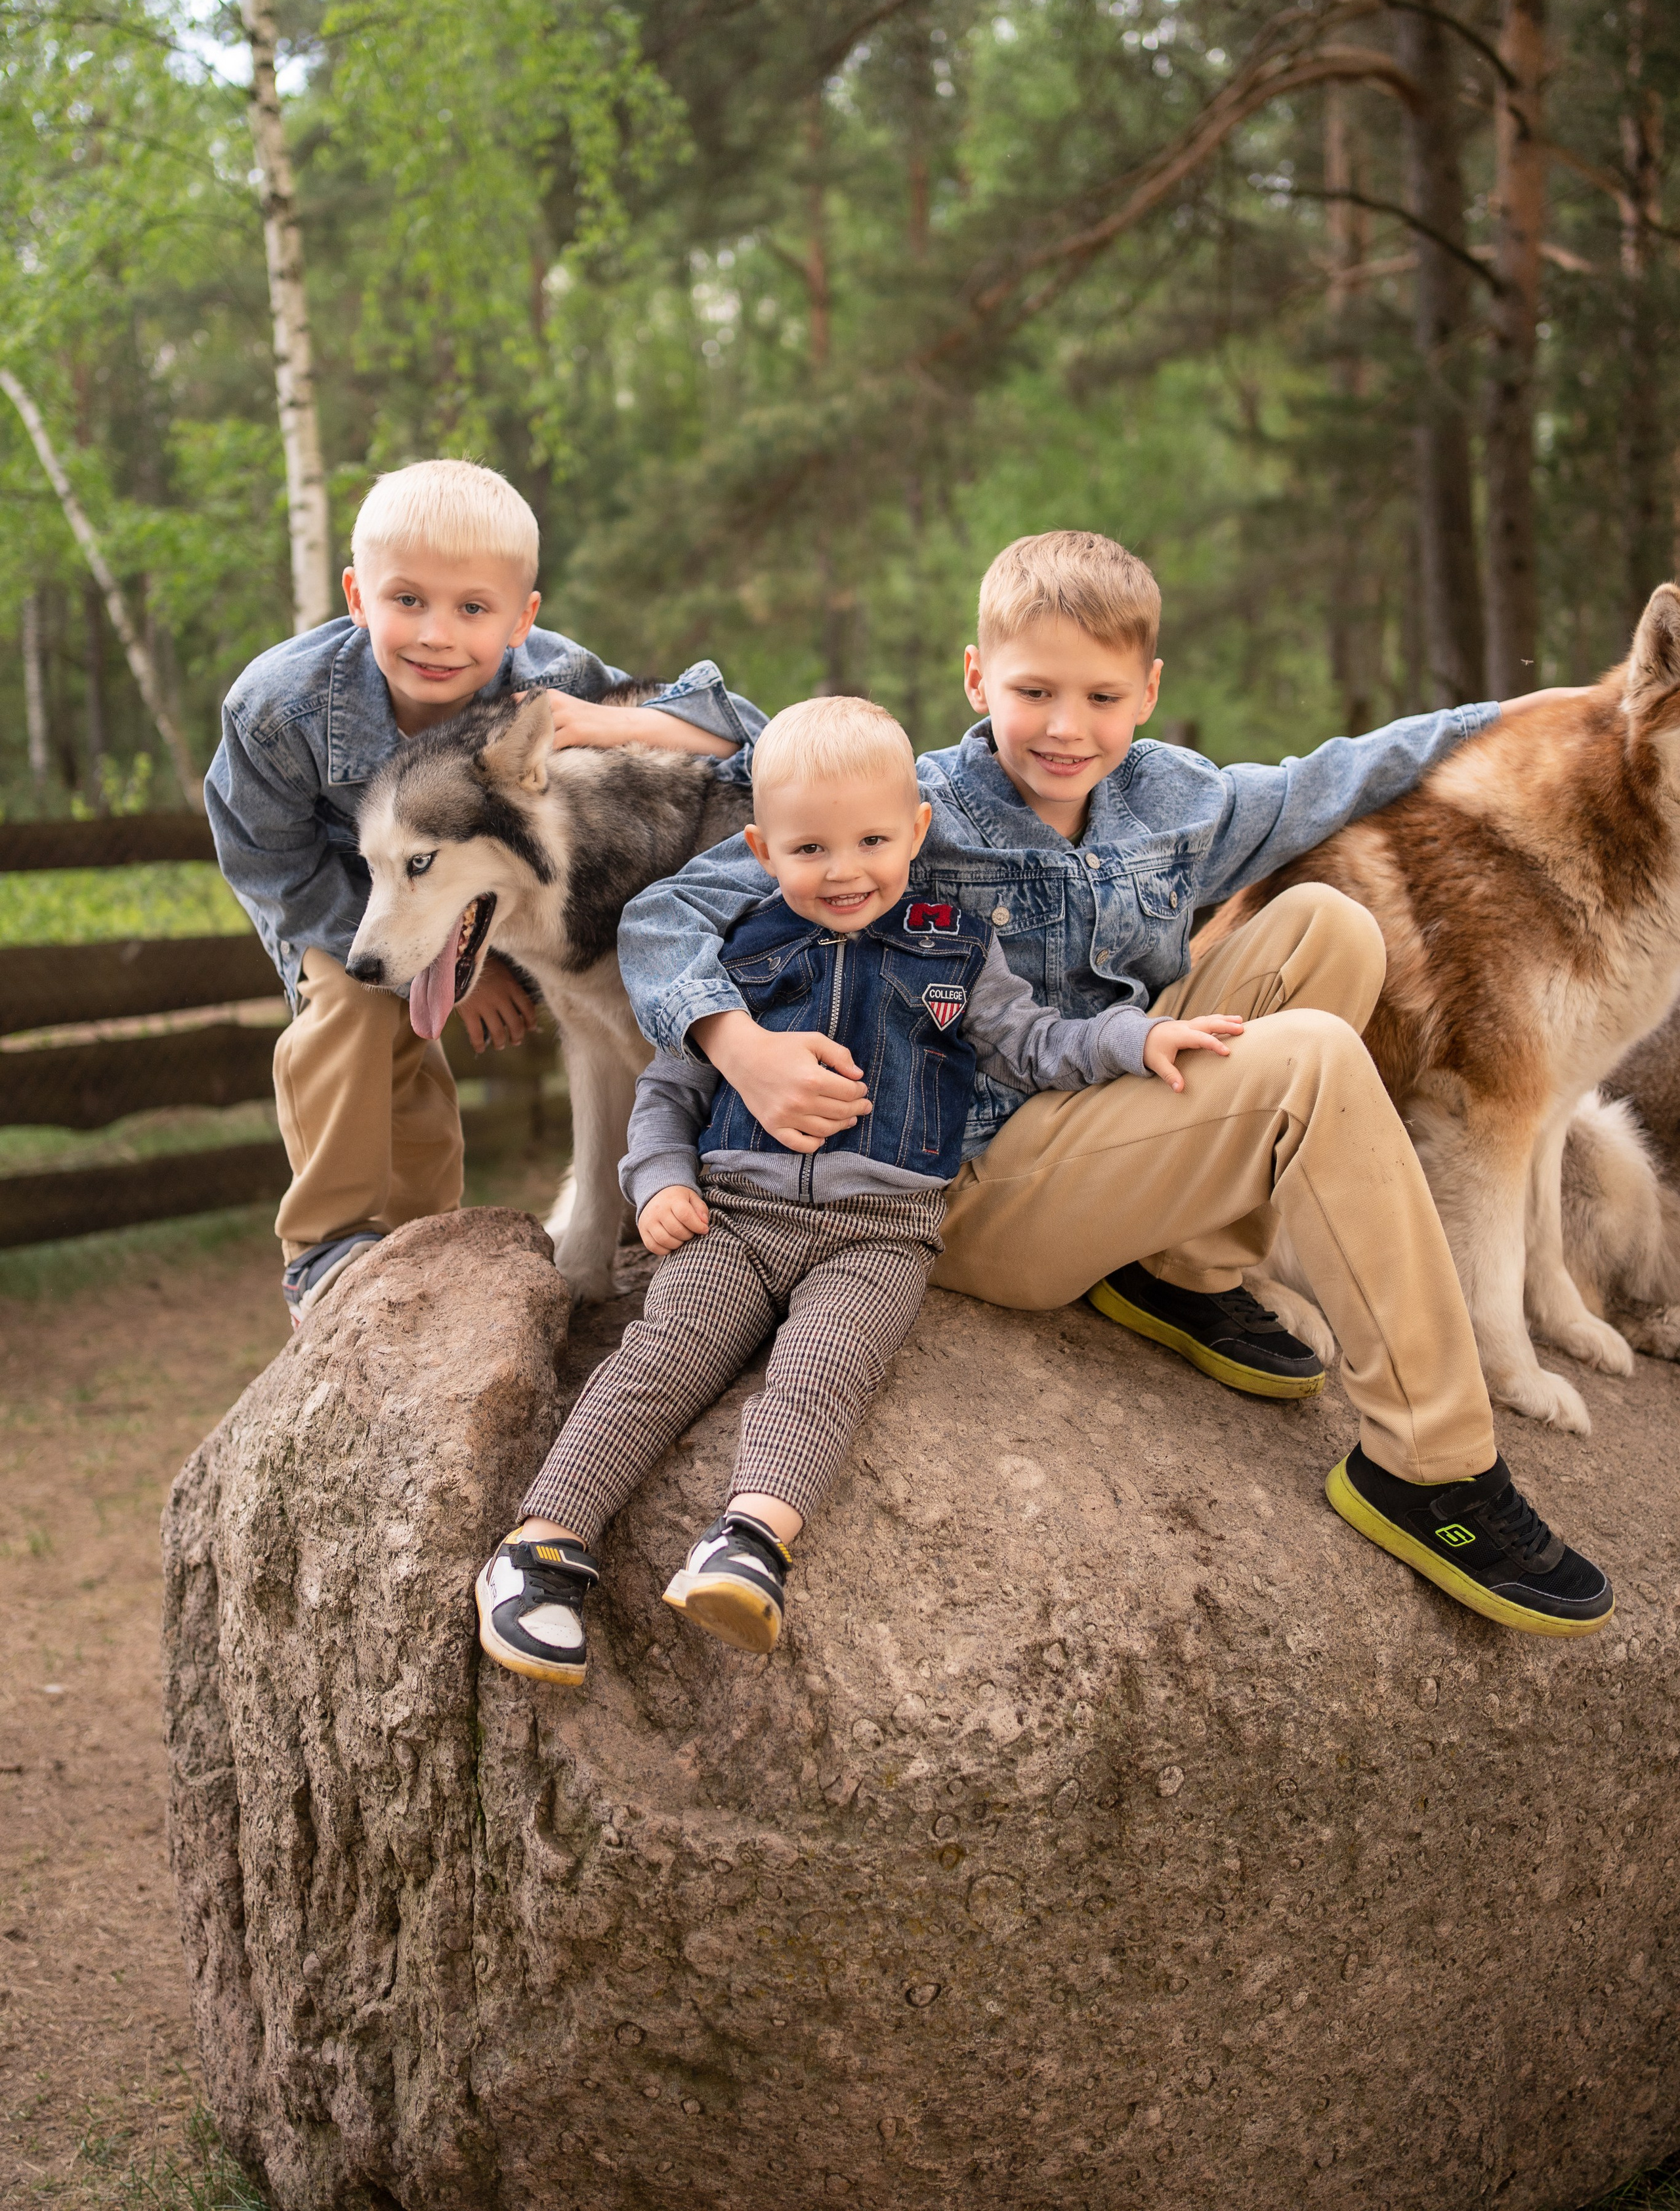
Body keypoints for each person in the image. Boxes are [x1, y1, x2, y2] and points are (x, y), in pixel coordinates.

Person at [610, 530, 1614, 1637]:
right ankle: (1431, 1466)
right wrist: (735, 1044)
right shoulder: (902, 809)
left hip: (1109, 1119)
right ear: (977, 678)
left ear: (1148, 691)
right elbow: (667, 915)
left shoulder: (1176, 801)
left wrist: (1514, 715)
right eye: (1032, 690)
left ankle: (1178, 1270)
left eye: (1099, 694)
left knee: (1330, 926)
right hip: (966, 1183)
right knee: (1313, 1060)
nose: (1064, 726)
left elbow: (1340, 771)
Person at [476, 693, 1219, 1684]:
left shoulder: (956, 949)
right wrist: (657, 1183)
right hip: (734, 1218)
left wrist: (1138, 1037)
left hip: (879, 1236)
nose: (844, 870)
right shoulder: (741, 951)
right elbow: (669, 1088)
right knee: (664, 1355)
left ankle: (750, 1542)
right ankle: (542, 1547)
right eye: (810, 848)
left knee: (827, 1371)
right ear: (761, 847)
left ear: (917, 830)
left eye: (873, 840)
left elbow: (1040, 1043)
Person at [204, 457, 761, 1326]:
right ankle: (329, 1249)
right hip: (339, 897)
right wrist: (471, 963)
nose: (436, 634)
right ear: (357, 597)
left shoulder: (557, 677)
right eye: (406, 601)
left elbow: (741, 733)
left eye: (472, 609)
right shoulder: (279, 709)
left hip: (476, 895)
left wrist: (614, 723)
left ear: (520, 619)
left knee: (445, 1049)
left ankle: (425, 1238)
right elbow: (269, 867)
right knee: (357, 1005)